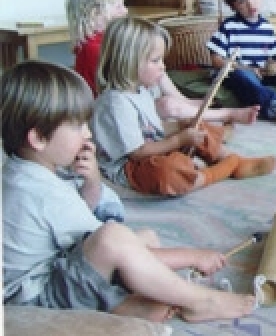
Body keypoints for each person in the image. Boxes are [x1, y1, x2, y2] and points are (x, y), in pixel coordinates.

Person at [1, 60, 256, 322]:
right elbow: (108, 245)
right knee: (116, 238)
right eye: (78, 126)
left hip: (47, 278)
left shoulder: (21, 173)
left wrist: (91, 183)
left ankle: (125, 304)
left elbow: (78, 232)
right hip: (38, 301)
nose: (88, 134)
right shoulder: (42, 193)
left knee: (145, 237)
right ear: (38, 139)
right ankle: (200, 300)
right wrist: (193, 257)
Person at [91, 16, 276, 196]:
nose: (163, 67)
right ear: (128, 61)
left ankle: (231, 160)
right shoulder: (116, 102)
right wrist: (179, 140)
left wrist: (183, 127)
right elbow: (138, 153)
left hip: (152, 148)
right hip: (130, 167)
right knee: (167, 173)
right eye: (156, 61)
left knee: (194, 125)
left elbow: (152, 129)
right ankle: (219, 172)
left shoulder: (141, 90)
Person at [65, 0, 259, 127]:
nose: (125, 11)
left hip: (126, 103)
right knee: (168, 106)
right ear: (95, 13)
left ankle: (184, 102)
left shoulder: (104, 42)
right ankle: (226, 114)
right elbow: (123, 87)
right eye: (118, 6)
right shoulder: (95, 49)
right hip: (112, 113)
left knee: (158, 75)